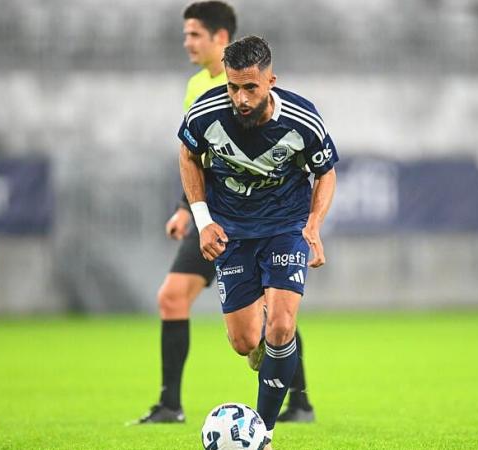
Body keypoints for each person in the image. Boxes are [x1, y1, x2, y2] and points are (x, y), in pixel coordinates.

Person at [135, 2, 315, 425]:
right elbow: (198, 155)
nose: (187, 43)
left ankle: (297, 400)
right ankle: (170, 403)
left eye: (194, 34)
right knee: (175, 299)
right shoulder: (199, 88)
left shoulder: (256, 91)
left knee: (279, 312)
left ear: (222, 39)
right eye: (185, 34)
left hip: (264, 220)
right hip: (215, 220)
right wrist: (190, 211)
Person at [178, 35, 337, 448]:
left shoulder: (302, 119)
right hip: (232, 230)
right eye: (233, 86)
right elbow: (188, 154)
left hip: (286, 224)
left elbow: (326, 171)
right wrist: (203, 220)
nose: (241, 98)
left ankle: (262, 433)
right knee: (245, 341)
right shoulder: (207, 113)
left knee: (282, 326)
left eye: (250, 87)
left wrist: (314, 224)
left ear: (271, 81)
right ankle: (264, 345)